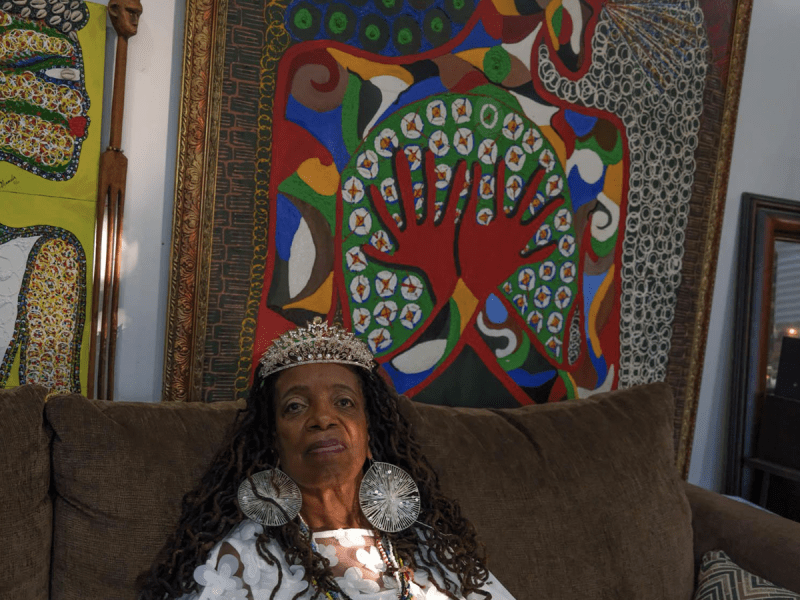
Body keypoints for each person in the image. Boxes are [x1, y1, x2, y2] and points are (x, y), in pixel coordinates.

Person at [139, 318, 515, 600]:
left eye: (344, 402)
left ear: (371, 435)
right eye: (296, 406)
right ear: (273, 442)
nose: (322, 418)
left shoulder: (428, 543)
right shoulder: (242, 560)